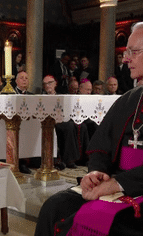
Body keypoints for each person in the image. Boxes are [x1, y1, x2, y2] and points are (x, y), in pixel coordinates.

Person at [35, 21, 143, 236]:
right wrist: (97, 172)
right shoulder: (128, 100)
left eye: (134, 51)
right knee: (54, 206)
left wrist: (118, 184)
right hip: (115, 181)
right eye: (126, 51)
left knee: (106, 223)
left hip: (135, 187)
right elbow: (101, 146)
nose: (126, 58)